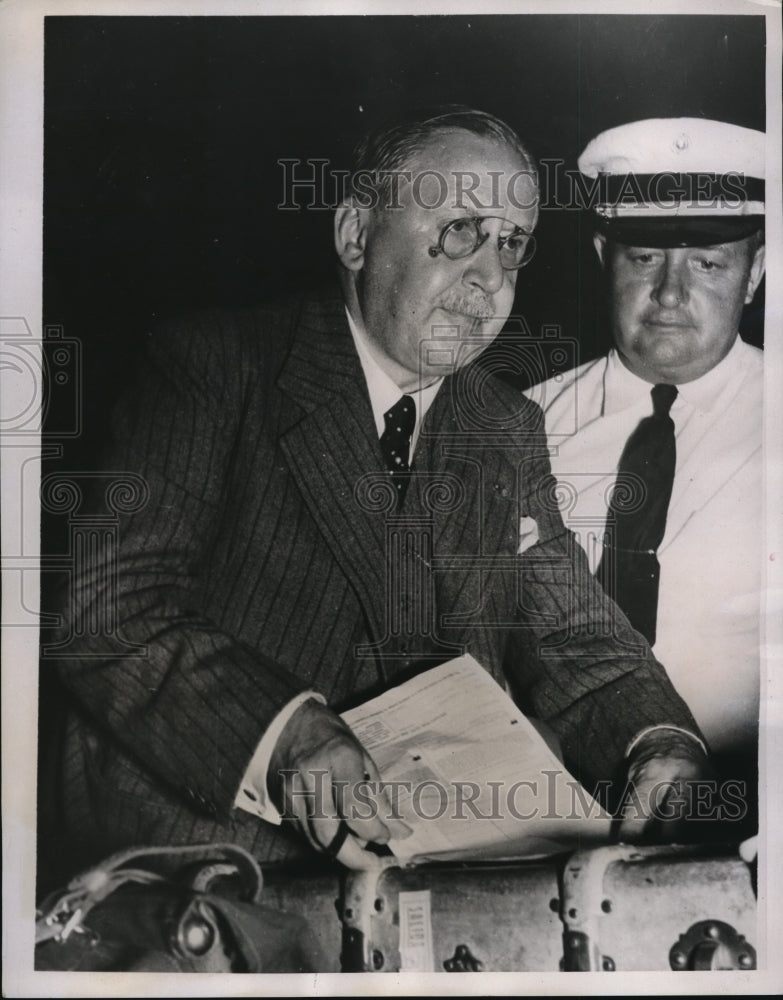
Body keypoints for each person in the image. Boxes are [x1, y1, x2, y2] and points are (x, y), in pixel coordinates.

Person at [46, 107, 710, 876]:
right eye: (460, 227)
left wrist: (657, 742)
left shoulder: (501, 425)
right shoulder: (215, 367)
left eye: (511, 243)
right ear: (356, 235)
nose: (490, 276)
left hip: (434, 890)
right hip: (202, 873)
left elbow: (573, 636)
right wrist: (283, 733)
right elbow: (106, 609)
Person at [530, 118, 765, 804]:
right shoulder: (520, 429)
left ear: (756, 272)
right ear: (604, 255)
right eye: (643, 259)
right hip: (543, 818)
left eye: (707, 263)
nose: (668, 293)